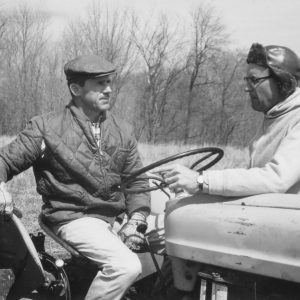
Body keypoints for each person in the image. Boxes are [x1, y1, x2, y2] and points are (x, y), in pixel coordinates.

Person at [0, 55, 151, 300]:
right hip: (73, 216)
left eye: (109, 82)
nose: (109, 89)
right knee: (126, 266)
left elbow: (137, 181)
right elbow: (5, 160)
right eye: (100, 84)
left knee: (169, 249)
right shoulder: (46, 128)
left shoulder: (124, 131)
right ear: (75, 89)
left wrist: (138, 218)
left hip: (115, 216)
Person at [155, 43, 300, 197]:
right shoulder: (274, 116)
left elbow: (276, 179)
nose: (247, 87)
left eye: (254, 80)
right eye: (247, 79)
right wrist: (191, 182)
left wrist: (201, 181)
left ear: (282, 81)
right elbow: (254, 180)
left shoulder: (296, 119)